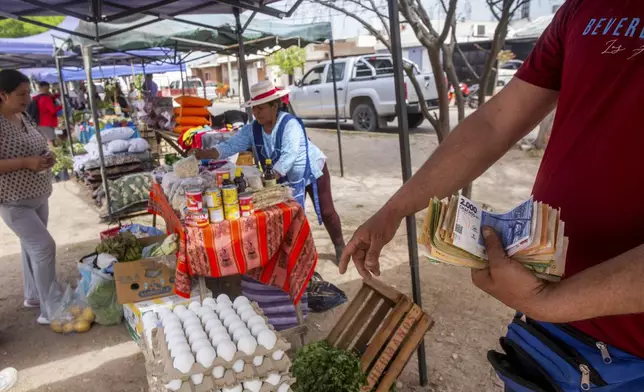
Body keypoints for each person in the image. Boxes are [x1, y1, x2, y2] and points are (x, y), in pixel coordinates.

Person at [341, 2, 644, 390]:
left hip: (629, 354)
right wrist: (395, 208)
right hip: (546, 334)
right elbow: (496, 121)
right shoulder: (582, 8)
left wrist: (548, 302)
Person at [193, 80, 346, 264]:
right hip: (280, 176)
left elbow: (289, 156)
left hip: (310, 169)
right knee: (290, 217)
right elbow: (231, 145)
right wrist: (209, 153)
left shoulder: (291, 125)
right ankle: (296, 256)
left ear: (275, 106)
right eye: (254, 109)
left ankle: (340, 247)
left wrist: (269, 176)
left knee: (327, 211)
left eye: (261, 108)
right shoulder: (253, 129)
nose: (256, 113)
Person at [0, 70, 57, 325]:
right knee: (44, 248)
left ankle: (34, 296)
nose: (27, 98)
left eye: (28, 92)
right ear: (2, 95)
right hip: (13, 201)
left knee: (30, 247)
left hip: (37, 195)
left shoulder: (22, 116)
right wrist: (25, 162)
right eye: (20, 94)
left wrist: (46, 156)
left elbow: (35, 143)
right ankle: (50, 309)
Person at [31, 81, 61, 146]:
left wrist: (55, 96)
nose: (48, 90)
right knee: (51, 141)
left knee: (45, 141)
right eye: (47, 88)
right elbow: (53, 110)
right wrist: (61, 106)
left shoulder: (36, 96)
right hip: (46, 122)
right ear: (45, 87)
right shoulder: (45, 98)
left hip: (39, 122)